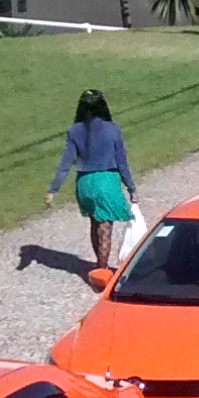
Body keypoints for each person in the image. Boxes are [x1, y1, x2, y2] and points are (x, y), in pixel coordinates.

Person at [44, 88, 140, 269]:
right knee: (105, 228)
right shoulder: (112, 129)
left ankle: (98, 265)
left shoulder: (74, 130)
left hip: (84, 183)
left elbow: (66, 162)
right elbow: (122, 162)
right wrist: (131, 188)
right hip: (106, 181)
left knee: (94, 223)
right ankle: (102, 270)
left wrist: (53, 189)